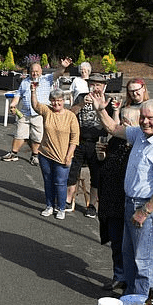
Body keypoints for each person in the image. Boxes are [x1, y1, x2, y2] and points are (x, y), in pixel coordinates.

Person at [90, 96, 153, 296]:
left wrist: (144, 212)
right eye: (143, 117)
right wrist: (100, 110)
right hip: (130, 203)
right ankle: (130, 298)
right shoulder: (140, 134)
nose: (145, 121)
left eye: (150, 118)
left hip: (146, 208)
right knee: (128, 256)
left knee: (144, 260)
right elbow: (113, 128)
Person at [97, 106, 140, 292]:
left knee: (129, 245)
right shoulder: (116, 140)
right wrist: (101, 157)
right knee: (115, 241)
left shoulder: (140, 143)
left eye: (129, 120)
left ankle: (131, 282)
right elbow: (107, 164)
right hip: (111, 199)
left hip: (129, 200)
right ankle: (119, 276)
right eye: (123, 119)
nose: (124, 123)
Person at [2, 58, 71, 164]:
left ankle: (35, 155)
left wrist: (63, 67)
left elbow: (58, 73)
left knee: (37, 136)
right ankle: (13, 153)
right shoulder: (25, 81)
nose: (34, 73)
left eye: (37, 71)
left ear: (41, 72)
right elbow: (18, 94)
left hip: (39, 113)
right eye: (32, 71)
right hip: (25, 113)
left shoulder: (47, 79)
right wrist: (13, 104)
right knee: (19, 134)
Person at [30, 87, 79, 220]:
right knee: (48, 181)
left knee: (60, 182)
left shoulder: (70, 116)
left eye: (59, 101)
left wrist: (69, 156)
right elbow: (35, 106)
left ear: (64, 101)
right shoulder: (47, 111)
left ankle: (61, 208)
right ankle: (49, 206)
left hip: (63, 156)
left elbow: (74, 139)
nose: (56, 103)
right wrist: (33, 91)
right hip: (45, 154)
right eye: (53, 101)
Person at [65, 73, 109, 216]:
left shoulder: (107, 100)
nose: (95, 88)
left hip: (98, 142)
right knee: (72, 171)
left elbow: (114, 123)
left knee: (96, 175)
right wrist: (82, 103)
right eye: (93, 84)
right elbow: (70, 114)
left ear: (103, 87)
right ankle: (68, 200)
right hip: (79, 140)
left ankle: (92, 206)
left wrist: (103, 108)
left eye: (98, 85)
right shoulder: (81, 96)